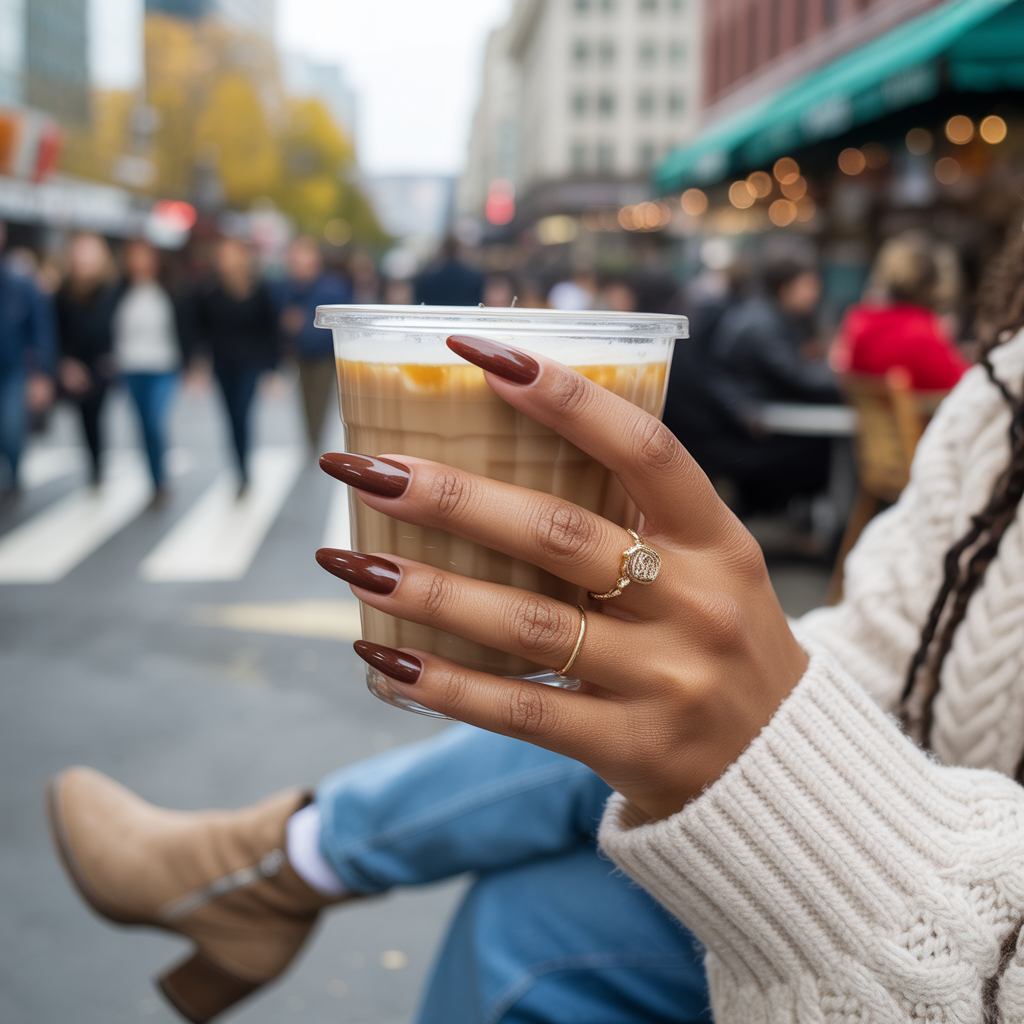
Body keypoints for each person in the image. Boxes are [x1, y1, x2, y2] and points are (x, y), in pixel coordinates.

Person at [48, 229, 1024, 1020]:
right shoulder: (999, 387)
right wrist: (714, 668)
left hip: (956, 925)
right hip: (901, 753)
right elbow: (887, 643)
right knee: (528, 905)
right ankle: (271, 867)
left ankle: (268, 866)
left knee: (550, 886)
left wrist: (758, 736)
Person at [696, 256, 839, 512]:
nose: (815, 293)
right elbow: (798, 377)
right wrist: (847, 380)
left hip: (742, 417)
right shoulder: (763, 323)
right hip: (744, 427)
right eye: (808, 286)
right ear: (786, 289)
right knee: (822, 449)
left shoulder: (764, 314)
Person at [188, 237, 278, 496]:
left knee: (242, 413)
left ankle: (244, 469)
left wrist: (273, 370)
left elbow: (270, 330)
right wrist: (199, 363)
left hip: (251, 361)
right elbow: (198, 328)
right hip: (222, 362)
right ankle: (240, 469)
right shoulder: (208, 289)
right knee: (230, 418)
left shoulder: (258, 288)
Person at [832, 231, 969, 390]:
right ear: (933, 285)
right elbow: (960, 386)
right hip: (918, 415)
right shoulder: (921, 333)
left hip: (873, 414)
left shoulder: (858, 322)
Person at [112, 239, 182, 505]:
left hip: (163, 365)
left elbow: (186, 326)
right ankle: (154, 481)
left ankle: (161, 478)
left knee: (154, 422)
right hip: (131, 366)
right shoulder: (120, 292)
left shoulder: (170, 290)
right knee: (142, 425)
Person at [55, 233, 120, 486]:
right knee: (86, 418)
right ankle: (95, 468)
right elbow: (56, 333)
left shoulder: (113, 290)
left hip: (105, 364)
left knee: (99, 416)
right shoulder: (63, 293)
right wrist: (65, 363)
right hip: (76, 365)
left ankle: (99, 466)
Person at [276, 236, 351, 451]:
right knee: (304, 399)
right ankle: (311, 438)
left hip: (323, 353)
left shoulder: (332, 286)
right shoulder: (287, 286)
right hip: (299, 352)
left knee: (318, 398)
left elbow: (338, 321)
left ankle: (314, 440)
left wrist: (304, 325)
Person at [0, 227, 55, 498]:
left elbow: (41, 330)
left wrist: (42, 374)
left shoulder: (21, 282)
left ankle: (14, 476)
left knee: (11, 426)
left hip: (12, 368)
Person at [413, 236, 484, 306]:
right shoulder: (474, 277)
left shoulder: (428, 278)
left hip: (438, 315)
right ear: (458, 250)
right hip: (465, 315)